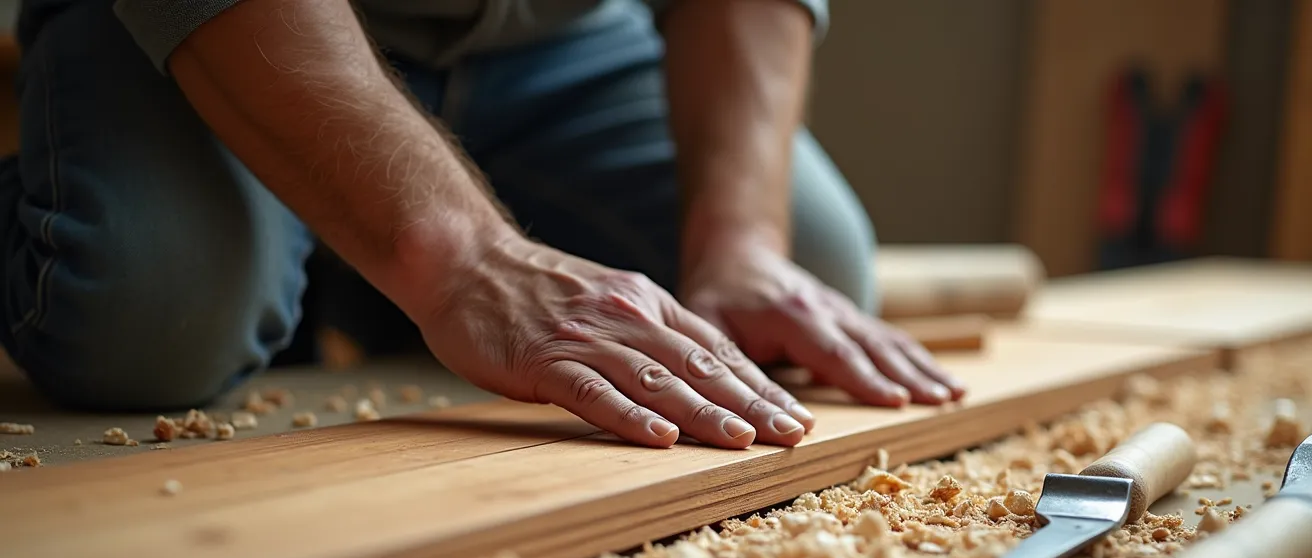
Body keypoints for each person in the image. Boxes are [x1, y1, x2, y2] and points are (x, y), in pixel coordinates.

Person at [0, 0, 965, 450]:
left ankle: (357, 276)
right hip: (228, 16)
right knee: (149, 308)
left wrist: (742, 241)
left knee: (814, 264)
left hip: (558, 35)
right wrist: (465, 262)